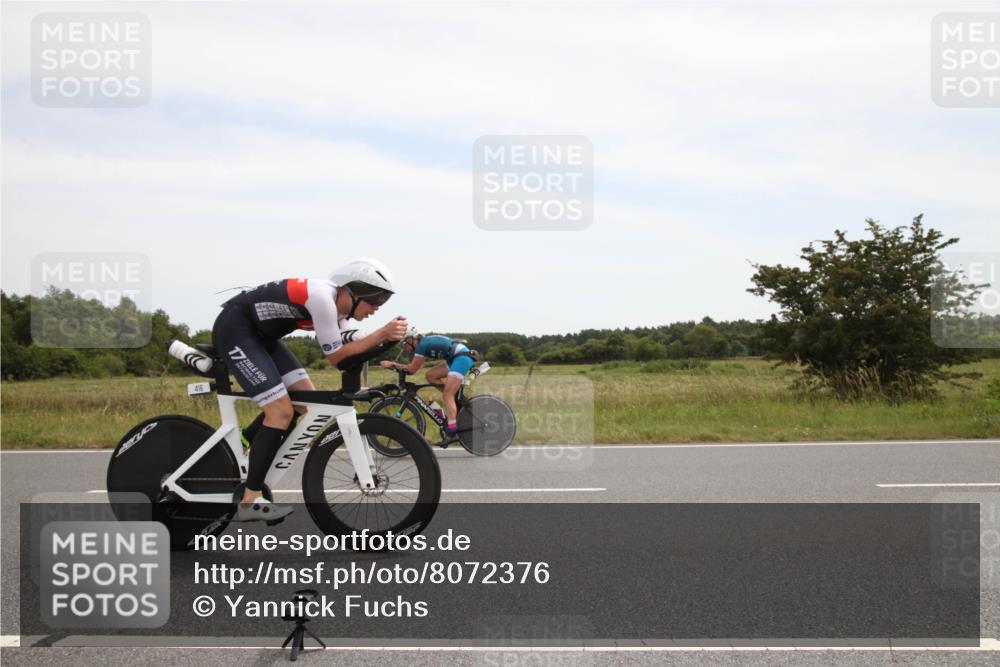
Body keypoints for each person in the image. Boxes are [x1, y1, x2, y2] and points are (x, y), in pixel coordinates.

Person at [212, 258, 407, 522]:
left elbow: (352, 340)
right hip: (236, 331)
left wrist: (392, 337)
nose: (377, 308)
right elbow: (337, 357)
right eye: (375, 301)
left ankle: (245, 443)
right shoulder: (322, 299)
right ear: (354, 292)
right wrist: (382, 334)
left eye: (382, 302)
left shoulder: (339, 308)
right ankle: (250, 500)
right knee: (280, 412)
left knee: (304, 405)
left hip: (262, 338)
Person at [380, 333, 478, 442]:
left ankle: (452, 432)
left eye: (404, 344)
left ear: (411, 340)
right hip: (455, 358)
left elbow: (412, 370)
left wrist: (391, 365)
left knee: (447, 395)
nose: (404, 348)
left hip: (462, 358)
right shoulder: (423, 343)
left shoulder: (421, 345)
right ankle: (455, 400)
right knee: (430, 376)